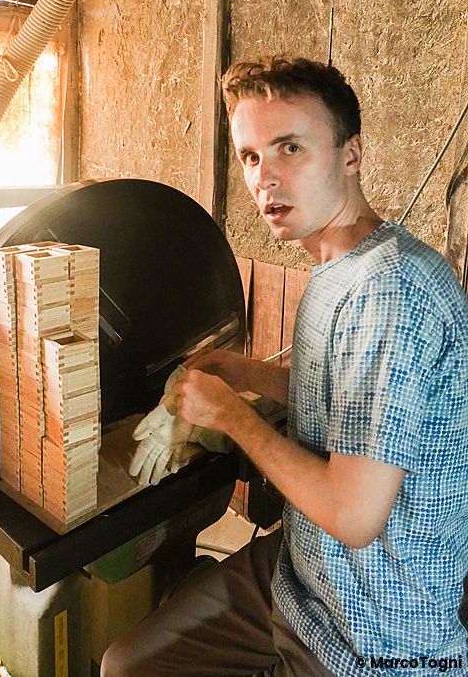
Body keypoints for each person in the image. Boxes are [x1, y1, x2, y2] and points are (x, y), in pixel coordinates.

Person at [101, 57, 468, 676]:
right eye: (249, 156)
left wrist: (231, 418)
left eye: (289, 148)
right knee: (129, 665)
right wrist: (247, 377)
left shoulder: (391, 291)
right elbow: (349, 405)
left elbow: (354, 516)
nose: (264, 177)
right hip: (302, 579)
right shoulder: (336, 264)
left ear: (351, 154)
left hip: (376, 634)